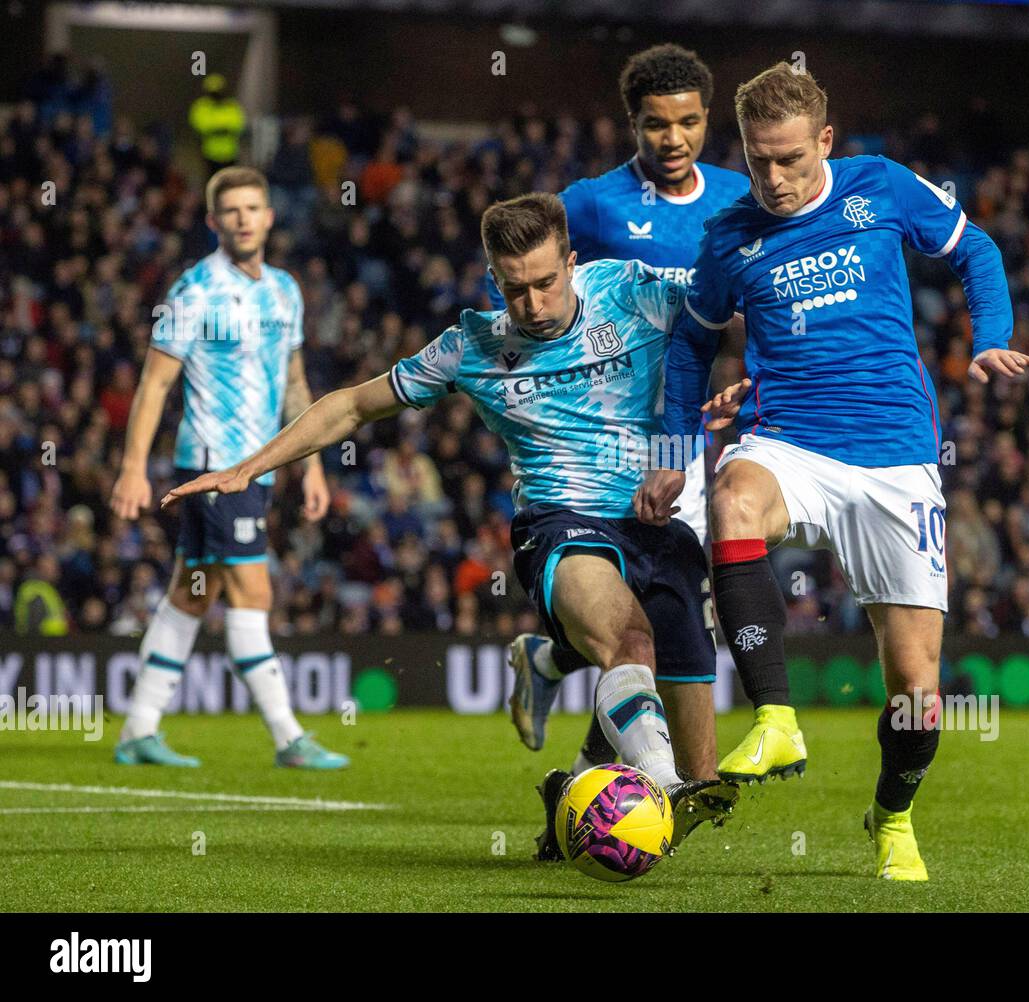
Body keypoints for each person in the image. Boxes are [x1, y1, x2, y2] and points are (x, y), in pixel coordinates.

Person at [162, 192, 743, 852]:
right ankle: (657, 781)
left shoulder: (632, 288)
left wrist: (760, 383)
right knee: (629, 644)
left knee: (708, 789)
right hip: (560, 524)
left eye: (547, 282)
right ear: (494, 280)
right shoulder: (471, 347)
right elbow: (351, 407)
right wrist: (248, 465)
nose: (532, 304)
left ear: (573, 263)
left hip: (657, 521)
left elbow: (727, 307)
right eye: (514, 288)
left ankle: (571, 778)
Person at [638, 63, 1029, 880]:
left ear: (824, 140)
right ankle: (776, 717)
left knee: (918, 691)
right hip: (789, 440)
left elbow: (977, 250)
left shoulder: (881, 186)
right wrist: (674, 456)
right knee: (733, 503)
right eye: (758, 162)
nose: (774, 179)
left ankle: (892, 816)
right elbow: (689, 345)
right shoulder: (728, 234)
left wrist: (988, 331)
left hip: (896, 458)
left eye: (790, 159)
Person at [492, 44, 751, 789]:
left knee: (654, 622)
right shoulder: (593, 203)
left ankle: (557, 702)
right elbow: (521, 278)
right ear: (631, 122)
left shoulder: (736, 199)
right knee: (639, 624)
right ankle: (639, 781)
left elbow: (754, 301)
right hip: (612, 445)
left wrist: (753, 379)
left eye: (689, 122)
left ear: (708, 118)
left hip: (688, 433)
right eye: (655, 124)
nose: (673, 139)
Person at [110, 166, 347, 770]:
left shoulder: (285, 291)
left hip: (259, 469)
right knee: (252, 590)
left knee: (192, 593)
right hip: (215, 466)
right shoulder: (192, 291)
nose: (243, 219)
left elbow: (296, 386)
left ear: (269, 216)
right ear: (214, 222)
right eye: (231, 211)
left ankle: (138, 730)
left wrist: (312, 467)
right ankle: (289, 737)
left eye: (253, 208)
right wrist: (134, 466)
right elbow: (154, 383)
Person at [189, 74, 246, 176]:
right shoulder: (202, 106)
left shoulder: (231, 105)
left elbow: (238, 124)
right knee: (212, 180)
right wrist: (220, 129)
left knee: (229, 180)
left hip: (229, 152)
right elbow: (200, 125)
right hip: (210, 152)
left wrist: (218, 129)